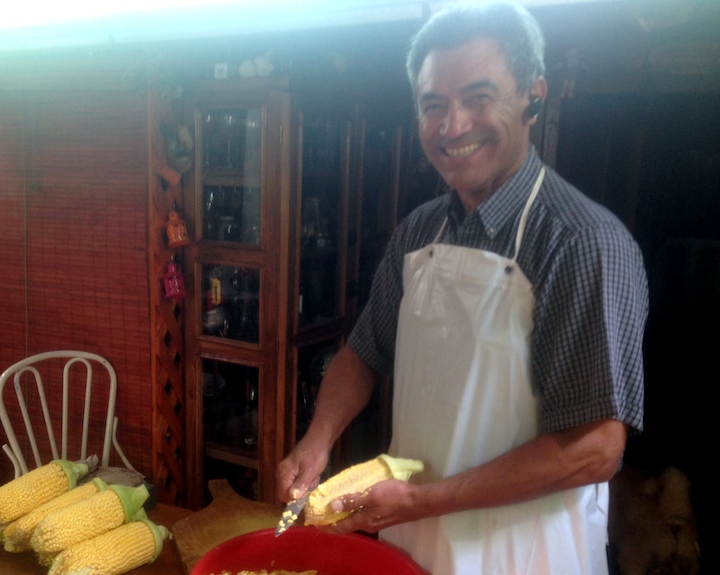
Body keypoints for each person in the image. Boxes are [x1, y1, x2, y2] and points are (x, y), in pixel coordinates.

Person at [276, 3, 649, 574]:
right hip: (413, 543)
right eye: (433, 105)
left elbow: (595, 449)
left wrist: (421, 501)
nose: (452, 127)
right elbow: (362, 353)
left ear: (533, 96)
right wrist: (318, 439)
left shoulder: (581, 242)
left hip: (527, 555)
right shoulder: (419, 230)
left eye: (479, 97)